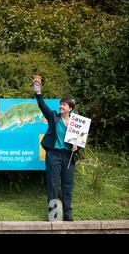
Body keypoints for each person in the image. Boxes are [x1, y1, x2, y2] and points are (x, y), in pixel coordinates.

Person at [33, 76, 79, 221]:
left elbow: (80, 141)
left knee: (67, 185)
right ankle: (54, 215)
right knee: (53, 185)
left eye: (64, 105)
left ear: (70, 108)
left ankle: (67, 214)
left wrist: (77, 147)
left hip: (68, 156)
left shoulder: (76, 122)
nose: (61, 106)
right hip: (53, 155)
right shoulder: (53, 117)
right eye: (60, 104)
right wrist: (38, 92)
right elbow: (42, 105)